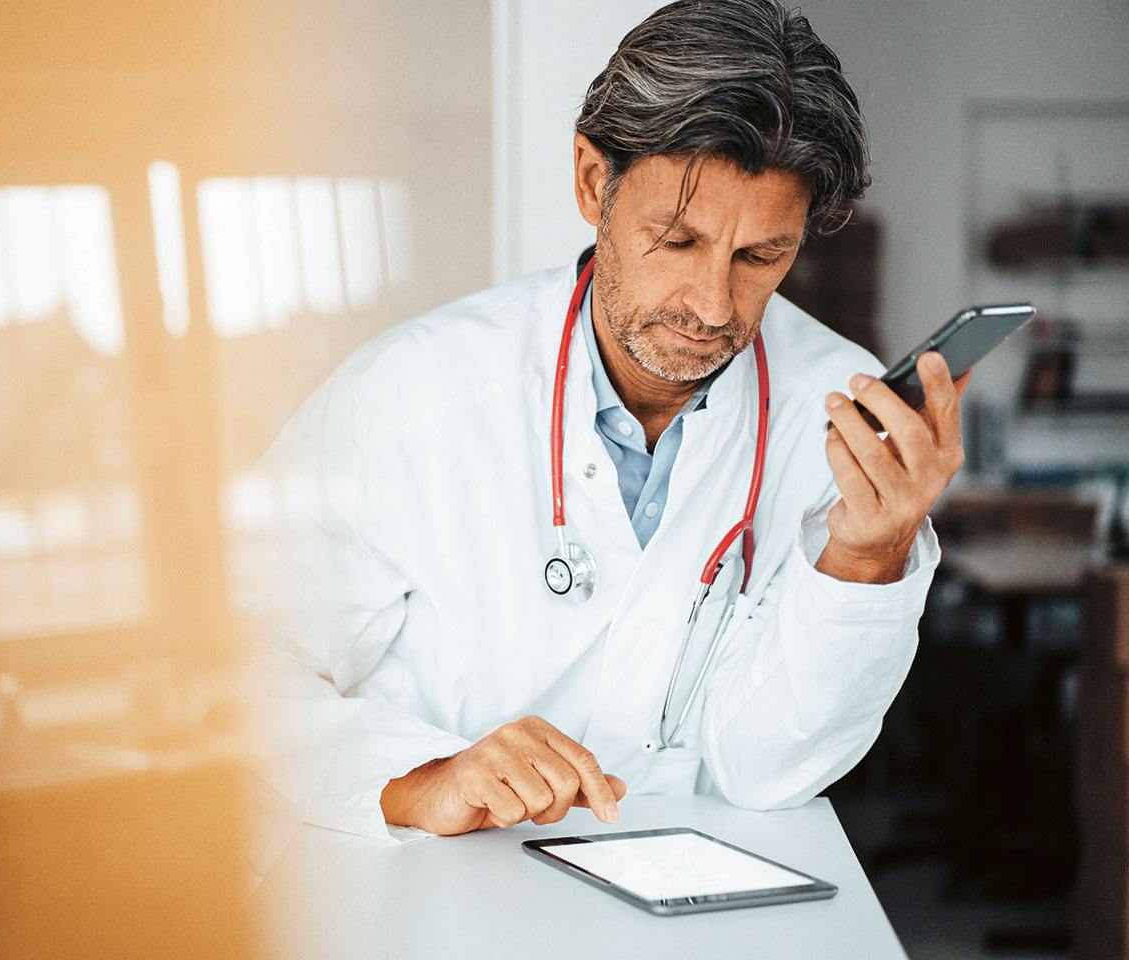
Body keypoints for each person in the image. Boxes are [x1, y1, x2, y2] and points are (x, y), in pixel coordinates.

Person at [246, 0, 968, 842]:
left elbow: (772, 769)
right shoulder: (408, 394)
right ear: (594, 181)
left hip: (692, 894)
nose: (711, 306)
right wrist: (418, 779)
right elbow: (229, 668)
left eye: (760, 257)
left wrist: (867, 560)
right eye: (676, 239)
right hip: (438, 886)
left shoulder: (837, 419)